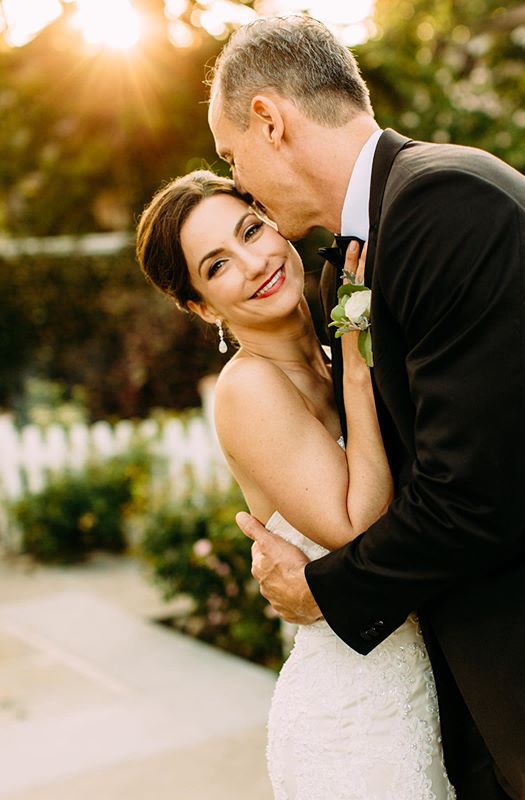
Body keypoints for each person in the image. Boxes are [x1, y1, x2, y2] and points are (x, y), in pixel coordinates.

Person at [207, 14, 525, 800]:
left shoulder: (448, 208)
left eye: (234, 158)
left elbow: (472, 495)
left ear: (271, 120)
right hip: (523, 704)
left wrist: (324, 589)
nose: (243, 183)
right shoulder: (378, 238)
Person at [135, 170, 456, 799]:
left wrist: (348, 361)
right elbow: (360, 528)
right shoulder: (249, 389)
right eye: (219, 265)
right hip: (357, 729)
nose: (256, 262)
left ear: (275, 222)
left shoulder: (331, 361)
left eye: (251, 229)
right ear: (201, 305)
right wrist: (359, 371)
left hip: (428, 701)